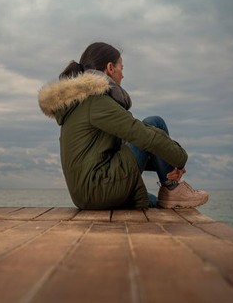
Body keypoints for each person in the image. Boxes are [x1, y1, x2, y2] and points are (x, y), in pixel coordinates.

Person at [38, 42, 208, 210]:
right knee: (154, 123)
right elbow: (140, 133)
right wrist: (179, 159)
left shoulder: (80, 102)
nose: (123, 75)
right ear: (110, 68)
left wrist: (165, 160)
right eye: (122, 68)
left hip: (88, 194)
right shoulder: (95, 101)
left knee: (154, 201)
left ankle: (170, 192)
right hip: (99, 189)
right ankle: (173, 187)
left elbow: (118, 150)